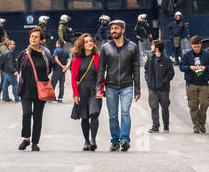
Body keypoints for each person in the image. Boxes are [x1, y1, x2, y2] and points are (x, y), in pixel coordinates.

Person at [97, 18, 142, 151]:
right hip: (110, 86)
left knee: (125, 112)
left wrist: (137, 90)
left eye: (116, 28)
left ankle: (124, 140)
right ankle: (115, 141)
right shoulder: (105, 48)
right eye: (112, 29)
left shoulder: (132, 47)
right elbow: (101, 69)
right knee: (112, 116)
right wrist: (99, 88)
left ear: (123, 30)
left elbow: (136, 69)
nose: (113, 31)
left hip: (127, 86)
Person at [16, 28, 52, 152]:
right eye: (32, 36)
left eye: (36, 37)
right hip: (25, 90)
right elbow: (19, 68)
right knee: (26, 113)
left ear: (41, 40)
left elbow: (50, 68)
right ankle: (26, 139)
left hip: (40, 90)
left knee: (38, 116)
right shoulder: (23, 54)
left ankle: (35, 142)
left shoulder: (46, 54)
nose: (33, 39)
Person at [69, 34, 103, 150]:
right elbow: (73, 78)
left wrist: (100, 90)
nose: (89, 43)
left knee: (94, 113)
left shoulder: (97, 57)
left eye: (91, 41)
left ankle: (93, 140)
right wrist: (75, 94)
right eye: (86, 41)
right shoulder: (77, 59)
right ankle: (86, 141)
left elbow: (101, 76)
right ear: (81, 45)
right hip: (82, 89)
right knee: (84, 117)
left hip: (95, 88)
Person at [178, 36, 209, 134]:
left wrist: (205, 68)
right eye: (194, 47)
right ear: (192, 46)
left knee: (205, 103)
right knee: (193, 106)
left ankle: (201, 123)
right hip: (191, 83)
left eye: (198, 47)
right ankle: (196, 126)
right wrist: (190, 67)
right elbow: (181, 67)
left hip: (203, 83)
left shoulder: (207, 54)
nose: (196, 49)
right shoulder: (187, 55)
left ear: (201, 45)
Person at [144, 39, 174, 133]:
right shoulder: (150, 58)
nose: (151, 47)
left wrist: (163, 82)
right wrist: (148, 80)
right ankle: (155, 127)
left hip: (163, 89)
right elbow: (146, 70)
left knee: (165, 107)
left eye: (152, 45)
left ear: (156, 48)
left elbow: (171, 73)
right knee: (154, 107)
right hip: (152, 88)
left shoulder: (166, 59)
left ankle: (166, 125)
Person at [50, 37, 70, 102]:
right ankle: (60, 98)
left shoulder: (56, 50)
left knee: (53, 83)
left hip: (56, 69)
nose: (56, 44)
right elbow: (69, 61)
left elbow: (56, 59)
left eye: (56, 43)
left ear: (58, 44)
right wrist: (65, 67)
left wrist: (61, 66)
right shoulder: (66, 51)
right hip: (63, 71)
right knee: (62, 84)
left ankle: (51, 97)